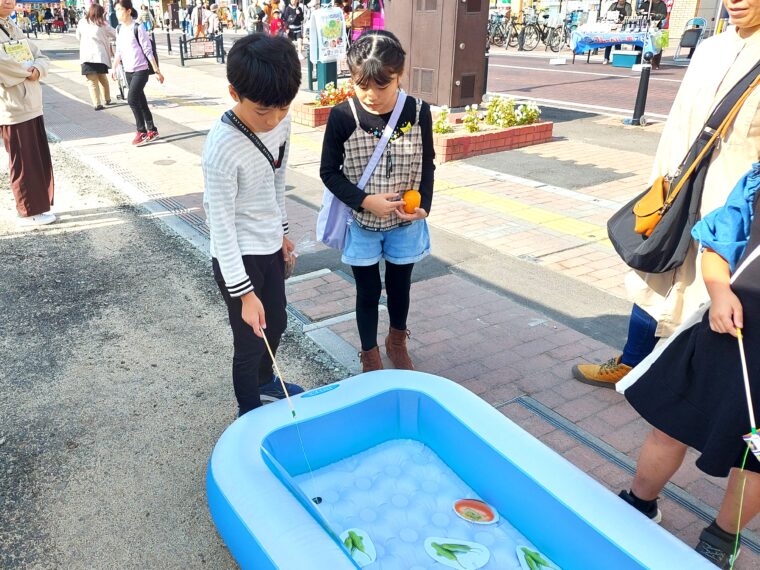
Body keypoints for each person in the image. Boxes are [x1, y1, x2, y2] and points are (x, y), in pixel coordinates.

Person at [572, 0, 760, 389]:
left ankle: (685, 388)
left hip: (731, 210)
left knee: (710, 299)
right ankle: (632, 363)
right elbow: (677, 125)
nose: (735, 2)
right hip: (677, 194)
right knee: (653, 276)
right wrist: (659, 188)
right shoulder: (711, 49)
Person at [616, 163, 760, 569]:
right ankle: (638, 502)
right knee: (671, 424)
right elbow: (718, 244)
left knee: (755, 460)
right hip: (730, 331)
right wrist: (719, 293)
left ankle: (721, 539)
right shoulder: (758, 180)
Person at [320, 31, 435, 372]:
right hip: (363, 223)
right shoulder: (343, 116)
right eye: (361, 85)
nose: (371, 95)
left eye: (381, 87)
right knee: (368, 290)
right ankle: (369, 352)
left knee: (400, 287)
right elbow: (329, 172)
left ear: (401, 75)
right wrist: (365, 201)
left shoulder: (418, 111)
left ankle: (396, 341)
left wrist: (425, 204)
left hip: (405, 222)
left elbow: (427, 162)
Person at [202, 33, 304, 417]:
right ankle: (247, 412)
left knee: (276, 321)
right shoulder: (221, 148)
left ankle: (265, 382)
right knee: (249, 338)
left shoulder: (281, 119)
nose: (274, 120)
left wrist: (281, 232)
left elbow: (278, 177)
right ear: (234, 92)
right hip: (237, 255)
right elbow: (221, 226)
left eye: (282, 108)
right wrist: (244, 295)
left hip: (267, 243)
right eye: (263, 112)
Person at [0, 0, 55, 228]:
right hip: (12, 107)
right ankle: (28, 211)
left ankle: (39, 206)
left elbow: (40, 55)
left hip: (31, 103)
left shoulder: (13, 27)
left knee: (37, 158)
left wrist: (37, 69)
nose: (7, 2)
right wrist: (28, 71)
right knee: (23, 161)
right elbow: (4, 64)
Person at [112, 0, 164, 145]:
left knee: (132, 99)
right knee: (140, 100)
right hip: (128, 70)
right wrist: (114, 68)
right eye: (115, 10)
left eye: (119, 9)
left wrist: (157, 71)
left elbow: (148, 50)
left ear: (128, 10)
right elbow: (119, 51)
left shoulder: (138, 27)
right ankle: (152, 129)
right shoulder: (118, 29)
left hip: (141, 70)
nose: (117, 13)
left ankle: (141, 131)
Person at [76, 4, 116, 111]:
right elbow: (115, 33)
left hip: (86, 55)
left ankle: (97, 103)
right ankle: (107, 99)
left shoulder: (81, 22)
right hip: (100, 55)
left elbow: (78, 37)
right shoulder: (102, 24)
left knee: (91, 81)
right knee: (102, 78)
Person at [638, 0, 668, 69]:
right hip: (644, 25)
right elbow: (639, 12)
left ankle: (655, 63)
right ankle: (641, 60)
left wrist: (655, 15)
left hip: (658, 26)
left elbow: (664, 15)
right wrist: (642, 13)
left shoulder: (662, 4)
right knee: (643, 43)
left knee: (658, 46)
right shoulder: (645, 4)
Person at [602, 0, 632, 64]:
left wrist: (622, 22)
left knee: (618, 42)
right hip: (612, 25)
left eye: (623, 0)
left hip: (621, 26)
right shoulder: (613, 5)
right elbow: (608, 14)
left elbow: (628, 16)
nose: (621, 1)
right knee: (609, 42)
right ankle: (606, 58)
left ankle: (616, 59)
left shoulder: (628, 6)